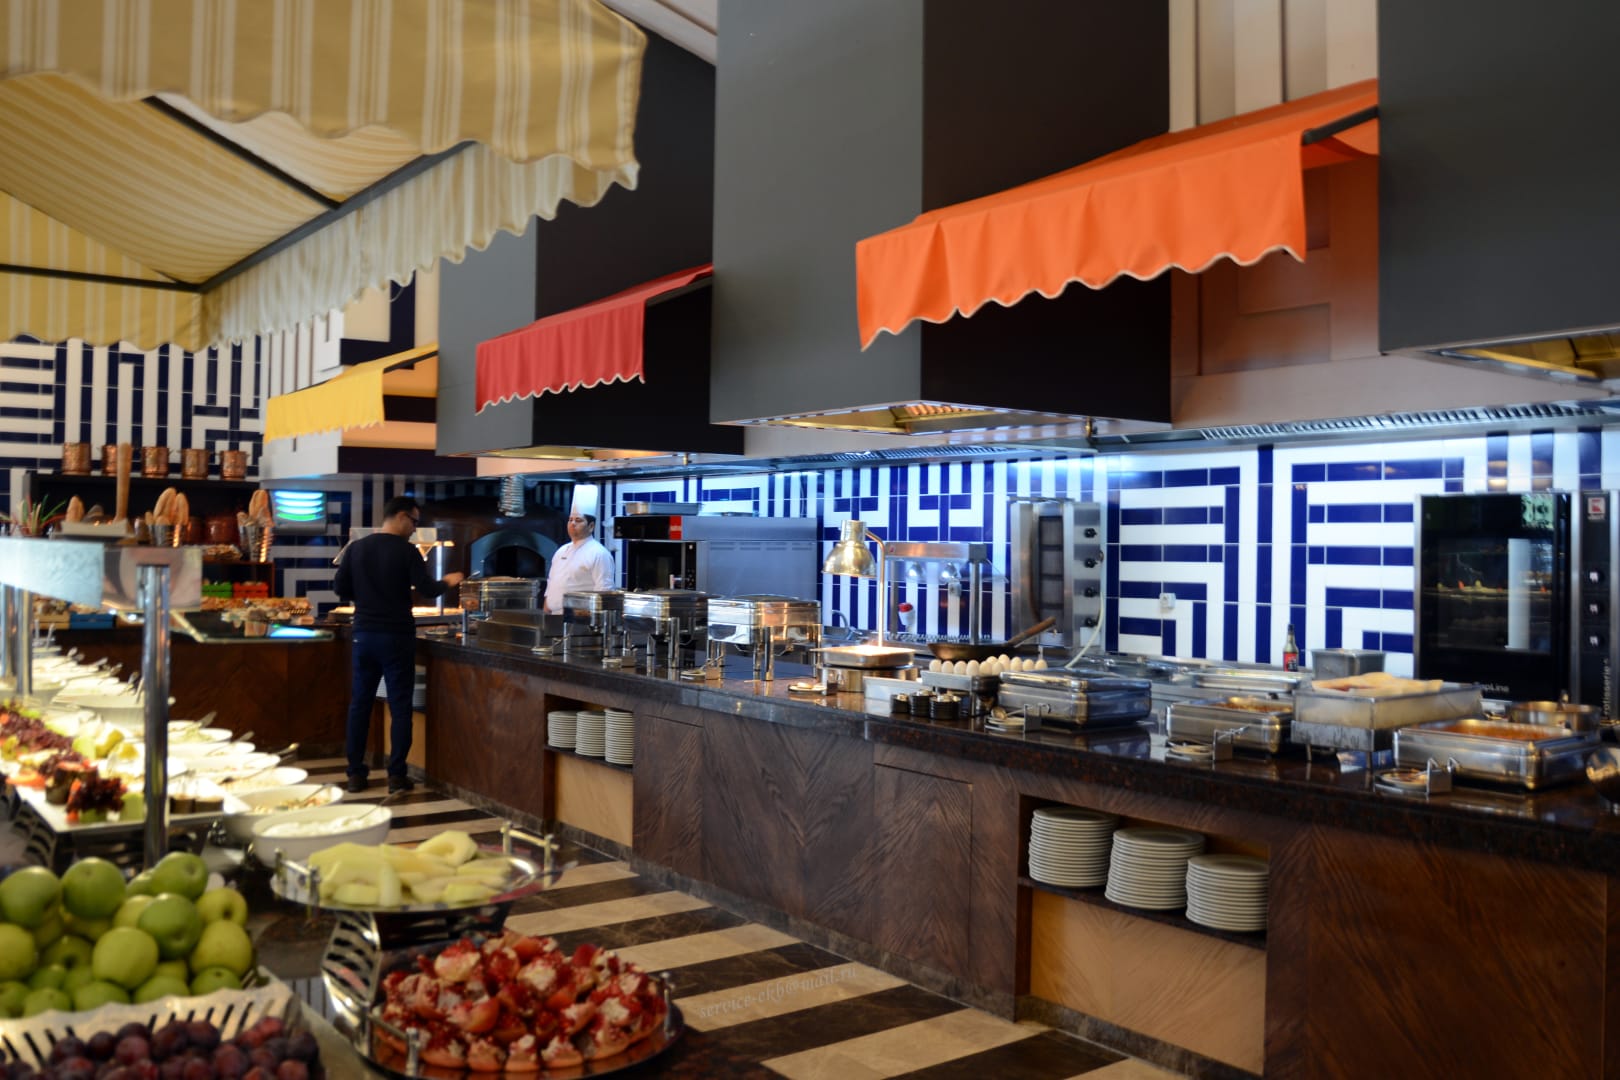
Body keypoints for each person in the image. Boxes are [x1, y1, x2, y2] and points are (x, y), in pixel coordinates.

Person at [334, 496, 464, 793]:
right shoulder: (407, 552)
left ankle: (355, 775)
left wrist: (366, 595)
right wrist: (449, 580)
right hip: (396, 636)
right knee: (400, 706)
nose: (414, 529)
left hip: (363, 634)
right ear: (402, 516)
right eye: (414, 522)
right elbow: (428, 589)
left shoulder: (356, 548)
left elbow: (340, 588)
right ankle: (396, 776)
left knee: (360, 704)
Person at [542, 511, 616, 612]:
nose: (573, 523)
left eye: (578, 520)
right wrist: (546, 611)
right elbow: (551, 583)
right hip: (553, 617)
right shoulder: (561, 551)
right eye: (570, 520)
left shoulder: (600, 553)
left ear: (591, 526)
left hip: (580, 619)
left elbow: (604, 592)